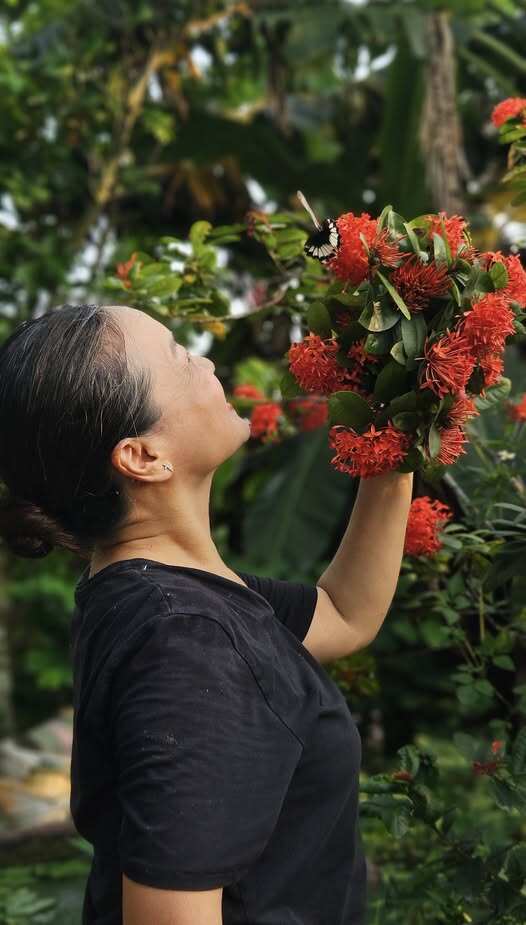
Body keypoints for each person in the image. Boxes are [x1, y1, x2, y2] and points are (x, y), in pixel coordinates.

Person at [0, 303, 413, 924]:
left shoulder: (167, 595)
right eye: (178, 356)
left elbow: (344, 614)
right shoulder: (185, 641)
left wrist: (397, 436)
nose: (208, 361)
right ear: (141, 456)